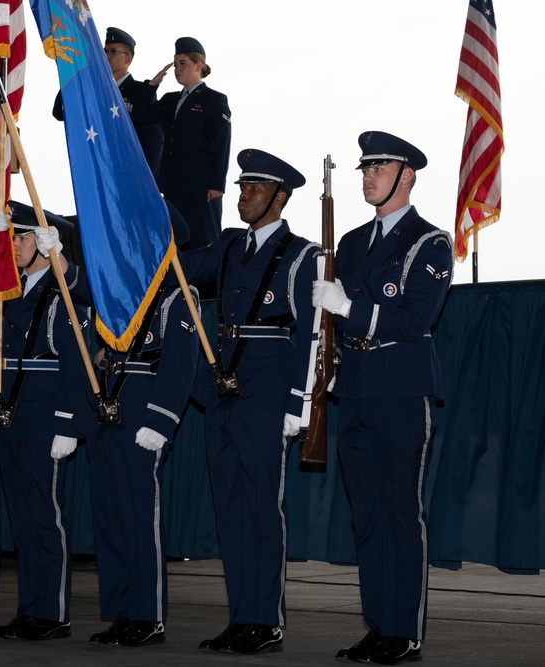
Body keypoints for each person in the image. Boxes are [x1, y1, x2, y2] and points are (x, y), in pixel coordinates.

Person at [311, 131, 453, 665]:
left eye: (380, 166)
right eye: (365, 168)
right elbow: (329, 328)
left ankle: (406, 629)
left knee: (400, 511)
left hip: (401, 388)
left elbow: (417, 320)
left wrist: (349, 308)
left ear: (407, 175)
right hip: (357, 389)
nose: (369, 175)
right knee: (365, 515)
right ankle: (379, 623)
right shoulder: (349, 243)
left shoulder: (430, 242)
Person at [177, 149, 320, 654]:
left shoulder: (304, 255)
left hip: (268, 392)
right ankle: (241, 616)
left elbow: (311, 335)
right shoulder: (230, 245)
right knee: (230, 511)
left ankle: (267, 618)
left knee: (262, 508)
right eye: (240, 188)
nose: (243, 196)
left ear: (279, 197)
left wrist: (298, 403)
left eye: (254, 189)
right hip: (225, 392)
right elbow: (183, 265)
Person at [53, 202, 200, 648]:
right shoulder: (120, 294)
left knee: (141, 519)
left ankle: (148, 614)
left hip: (142, 417)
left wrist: (162, 419)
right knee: (110, 519)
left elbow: (180, 366)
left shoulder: (178, 296)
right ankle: (120, 611)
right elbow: (81, 293)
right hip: (107, 415)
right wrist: (59, 257)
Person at [0, 201, 90, 642]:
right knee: (23, 517)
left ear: (48, 244)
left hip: (45, 415)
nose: (19, 245)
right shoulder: (10, 288)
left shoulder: (63, 289)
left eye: (25, 237)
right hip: (10, 414)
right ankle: (31, 609)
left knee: (45, 515)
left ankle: (52, 614)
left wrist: (67, 423)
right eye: (17, 237)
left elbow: (74, 361)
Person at [152, 37, 231, 254]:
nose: (178, 69)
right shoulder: (169, 100)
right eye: (176, 64)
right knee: (175, 245)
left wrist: (217, 184)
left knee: (203, 243)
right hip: (172, 184)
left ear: (199, 66)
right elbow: (143, 114)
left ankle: (206, 289)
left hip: (202, 187)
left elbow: (223, 144)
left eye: (183, 63)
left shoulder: (213, 100)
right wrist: (152, 86)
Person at [53, 27, 164, 182]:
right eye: (104, 52)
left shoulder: (140, 92)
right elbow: (59, 112)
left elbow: (153, 140)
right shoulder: (93, 90)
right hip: (98, 172)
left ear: (127, 58)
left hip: (129, 174)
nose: (106, 56)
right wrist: (75, 74)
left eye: (112, 52)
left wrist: (147, 179)